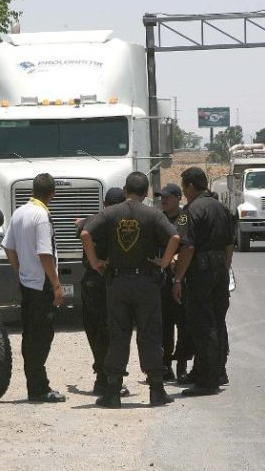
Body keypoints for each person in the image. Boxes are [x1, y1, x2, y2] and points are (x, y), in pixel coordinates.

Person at [81, 172, 179, 408]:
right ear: (146, 193)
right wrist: (165, 263)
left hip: (118, 283)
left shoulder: (109, 213)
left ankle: (113, 392)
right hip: (146, 283)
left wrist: (95, 263)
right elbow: (175, 236)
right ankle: (156, 391)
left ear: (125, 190)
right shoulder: (154, 214)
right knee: (150, 335)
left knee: (118, 335)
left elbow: (85, 233)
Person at [2, 173, 66, 403]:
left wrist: (19, 268)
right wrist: (56, 284)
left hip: (27, 282)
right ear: (53, 194)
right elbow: (45, 253)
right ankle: (39, 388)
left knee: (30, 336)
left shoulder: (19, 212)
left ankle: (35, 385)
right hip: (41, 284)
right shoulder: (41, 215)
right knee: (41, 336)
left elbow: (8, 246)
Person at [172, 167, 234, 396]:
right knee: (217, 322)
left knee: (203, 325)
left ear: (189, 186)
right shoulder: (222, 208)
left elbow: (188, 247)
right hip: (219, 271)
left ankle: (207, 381)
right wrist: (224, 271)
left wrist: (178, 278)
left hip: (200, 273)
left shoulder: (191, 210)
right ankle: (210, 372)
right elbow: (229, 246)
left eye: (183, 187)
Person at [75, 187, 130, 397]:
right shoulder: (120, 223)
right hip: (110, 280)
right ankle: (110, 378)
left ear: (104, 204)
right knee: (113, 330)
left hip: (91, 280)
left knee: (95, 329)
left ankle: (102, 377)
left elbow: (79, 230)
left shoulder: (94, 220)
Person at [155, 183, 194, 382]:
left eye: (168, 196)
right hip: (162, 279)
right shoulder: (158, 218)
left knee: (184, 323)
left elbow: (188, 244)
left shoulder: (185, 217)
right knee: (164, 324)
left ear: (178, 197)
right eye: (161, 197)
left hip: (181, 278)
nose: (163, 200)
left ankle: (182, 363)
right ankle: (165, 365)